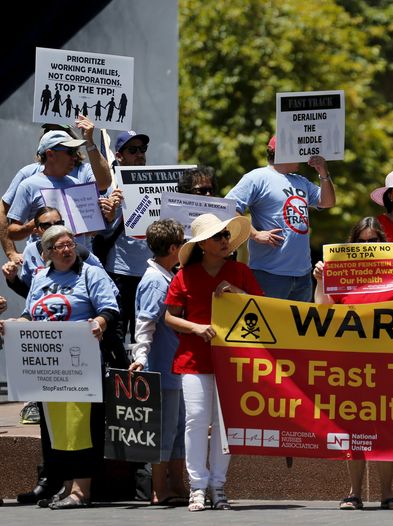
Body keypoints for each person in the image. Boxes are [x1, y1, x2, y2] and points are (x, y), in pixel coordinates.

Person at [1, 225, 119, 509]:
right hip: (48, 365)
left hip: (81, 362)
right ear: (47, 254)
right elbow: (31, 315)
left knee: (83, 425)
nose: (67, 250)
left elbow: (110, 310)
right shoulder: (40, 278)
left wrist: (99, 324)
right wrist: (12, 326)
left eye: (70, 244)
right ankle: (64, 487)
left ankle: (81, 491)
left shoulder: (91, 273)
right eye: (59, 246)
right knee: (56, 427)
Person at [312, 216, 393, 511]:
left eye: (373, 242)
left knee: (385, 429)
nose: (367, 247)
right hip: (351, 364)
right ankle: (353, 492)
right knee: (352, 429)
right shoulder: (340, 273)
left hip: (388, 362)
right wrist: (320, 281)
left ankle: (387, 492)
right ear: (353, 244)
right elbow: (323, 309)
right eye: (362, 242)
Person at [165, 213, 263, 511]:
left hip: (232, 360)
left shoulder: (241, 272)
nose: (224, 241)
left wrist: (236, 292)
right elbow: (169, 317)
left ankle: (218, 485)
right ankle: (197, 486)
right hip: (194, 359)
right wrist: (196, 328)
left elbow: (261, 308)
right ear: (202, 245)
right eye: (218, 237)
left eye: (225, 235)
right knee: (196, 420)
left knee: (225, 424)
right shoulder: (184, 275)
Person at [225, 135, 335, 301]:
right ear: (282, 153)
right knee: (268, 325)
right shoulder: (257, 177)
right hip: (268, 274)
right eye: (298, 151)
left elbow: (328, 202)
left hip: (303, 275)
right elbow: (228, 208)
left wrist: (323, 173)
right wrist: (255, 234)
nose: (303, 155)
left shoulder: (301, 181)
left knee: (298, 327)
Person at [130, 219, 189, 506]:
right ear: (174, 247)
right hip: (161, 369)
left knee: (178, 429)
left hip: (175, 368)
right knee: (163, 432)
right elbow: (145, 323)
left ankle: (178, 485)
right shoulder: (154, 281)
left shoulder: (168, 275)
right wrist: (140, 357)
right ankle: (159, 489)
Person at [5, 117, 112, 244]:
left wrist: (101, 216)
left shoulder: (76, 184)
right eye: (70, 151)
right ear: (50, 154)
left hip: (80, 260)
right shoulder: (28, 185)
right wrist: (34, 225)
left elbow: (90, 232)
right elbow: (11, 232)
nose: (74, 156)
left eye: (75, 151)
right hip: (47, 261)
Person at [95, 131, 152, 347]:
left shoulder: (155, 181)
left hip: (148, 272)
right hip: (118, 271)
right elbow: (98, 229)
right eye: (133, 150)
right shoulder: (108, 184)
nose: (140, 154)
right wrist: (111, 211)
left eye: (142, 149)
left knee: (144, 333)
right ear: (119, 156)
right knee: (116, 332)